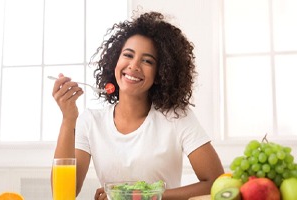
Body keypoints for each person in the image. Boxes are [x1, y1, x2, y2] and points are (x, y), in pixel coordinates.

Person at [51, 11, 224, 200]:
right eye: (128, 55)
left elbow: (215, 182)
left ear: (161, 73)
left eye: (147, 60)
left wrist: (144, 196)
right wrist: (68, 119)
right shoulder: (91, 121)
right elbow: (64, 194)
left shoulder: (176, 116)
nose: (134, 66)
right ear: (115, 61)